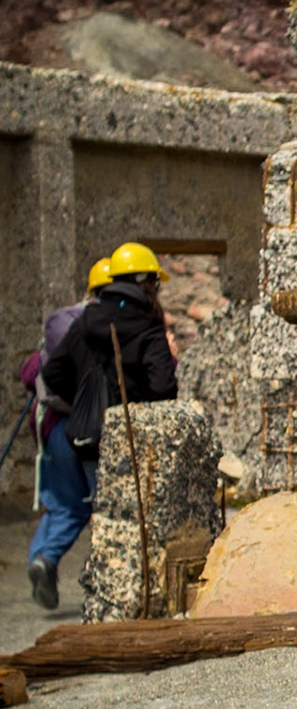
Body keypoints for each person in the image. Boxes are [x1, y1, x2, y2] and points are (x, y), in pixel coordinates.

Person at [34, 244, 178, 608]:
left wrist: (85, 399)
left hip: (86, 434)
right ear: (145, 281)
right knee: (123, 519)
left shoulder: (85, 320)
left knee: (94, 512)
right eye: (155, 284)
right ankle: (114, 595)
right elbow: (164, 386)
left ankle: (90, 585)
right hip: (129, 436)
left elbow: (52, 372)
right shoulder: (146, 325)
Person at [20, 258, 112, 609]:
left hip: (51, 428)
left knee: (59, 504)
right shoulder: (109, 324)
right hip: (87, 430)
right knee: (94, 507)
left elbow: (31, 374)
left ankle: (41, 560)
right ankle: (63, 567)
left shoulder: (62, 321)